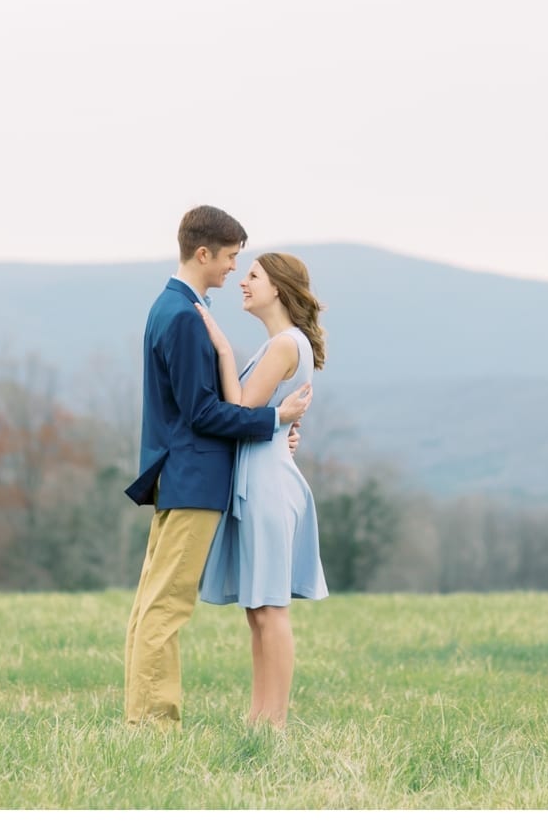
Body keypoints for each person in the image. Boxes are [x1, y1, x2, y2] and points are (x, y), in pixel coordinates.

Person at [122, 206, 312, 728]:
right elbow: (201, 412)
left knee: (152, 605)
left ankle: (143, 719)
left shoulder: (174, 307)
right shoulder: (183, 316)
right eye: (230, 258)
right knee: (166, 608)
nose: (234, 269)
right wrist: (274, 419)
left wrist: (274, 429)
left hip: (181, 475)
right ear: (203, 253)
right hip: (194, 478)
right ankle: (154, 724)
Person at [195, 252, 329, 729]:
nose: (242, 283)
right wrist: (280, 428)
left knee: (270, 610)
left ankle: (274, 723)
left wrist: (223, 352)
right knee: (258, 610)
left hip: (269, 487)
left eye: (252, 276)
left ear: (277, 288)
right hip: (262, 479)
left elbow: (243, 407)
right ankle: (259, 718)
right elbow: (262, 418)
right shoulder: (277, 345)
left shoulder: (284, 346)